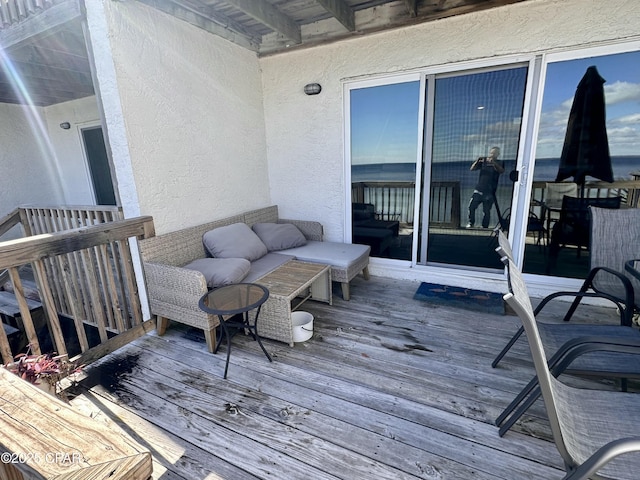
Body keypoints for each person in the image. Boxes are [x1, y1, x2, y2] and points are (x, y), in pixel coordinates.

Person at [466, 146, 504, 228]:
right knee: (471, 206)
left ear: (498, 154)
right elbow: (472, 169)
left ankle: (484, 226)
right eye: (491, 153)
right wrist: (477, 161)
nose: (492, 155)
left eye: (494, 153)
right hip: (479, 188)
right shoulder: (484, 162)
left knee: (486, 210)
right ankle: (471, 222)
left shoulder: (500, 162)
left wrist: (493, 163)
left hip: (490, 191)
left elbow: (501, 171)